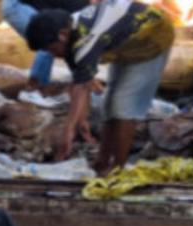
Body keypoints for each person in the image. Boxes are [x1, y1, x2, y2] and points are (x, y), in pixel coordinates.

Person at [25, 1, 175, 173]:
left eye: (51, 49)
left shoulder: (85, 41)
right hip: (127, 42)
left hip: (153, 37)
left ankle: (117, 170)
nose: (53, 54)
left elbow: (80, 88)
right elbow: (81, 82)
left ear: (62, 35)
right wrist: (81, 120)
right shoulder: (71, 35)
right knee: (109, 105)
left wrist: (69, 131)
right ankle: (102, 162)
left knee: (123, 107)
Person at [2, 0, 91, 92]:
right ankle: (36, 88)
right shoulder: (82, 11)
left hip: (23, 7)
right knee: (49, 41)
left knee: (51, 41)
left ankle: (38, 86)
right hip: (18, 6)